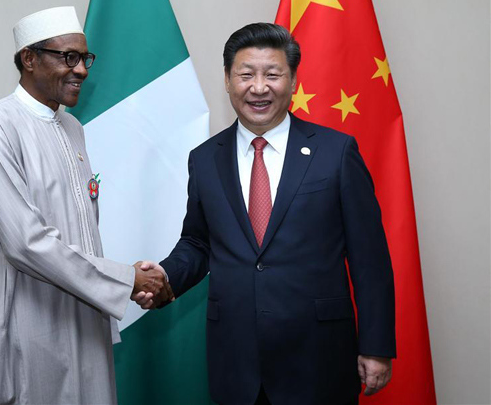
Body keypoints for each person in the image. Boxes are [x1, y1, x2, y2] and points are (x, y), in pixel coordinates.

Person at [135, 23, 395, 405]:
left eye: (272, 74)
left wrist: (376, 346)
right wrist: (166, 274)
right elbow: (198, 241)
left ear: (292, 81)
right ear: (227, 80)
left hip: (319, 356)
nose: (259, 87)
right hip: (236, 361)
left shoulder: (335, 153)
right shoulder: (205, 159)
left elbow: (369, 258)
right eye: (246, 75)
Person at [0, 6, 172, 405]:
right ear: (29, 58)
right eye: (68, 58)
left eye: (85, 59)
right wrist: (126, 280)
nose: (82, 71)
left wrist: (125, 280)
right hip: (25, 319)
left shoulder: (71, 128)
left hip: (84, 312)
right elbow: (26, 242)